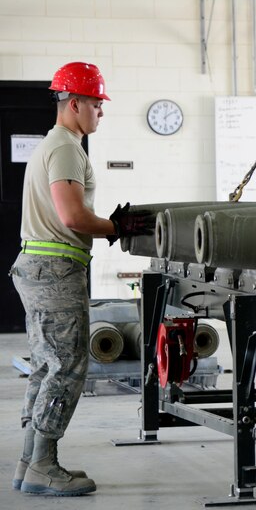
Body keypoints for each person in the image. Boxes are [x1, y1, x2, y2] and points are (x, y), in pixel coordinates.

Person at [10, 62, 152, 496]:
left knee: (46, 366)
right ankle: (43, 465)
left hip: (38, 266)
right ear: (74, 104)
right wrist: (118, 228)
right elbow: (72, 216)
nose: (100, 113)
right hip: (55, 271)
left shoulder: (53, 145)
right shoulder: (68, 148)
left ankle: (30, 461)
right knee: (68, 366)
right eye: (96, 104)